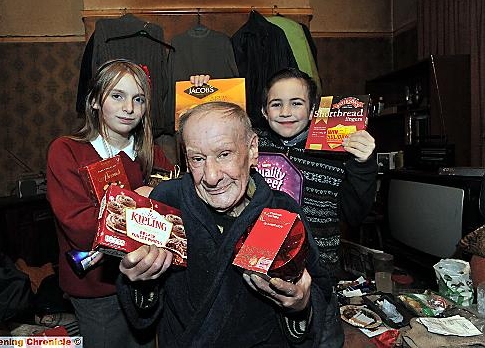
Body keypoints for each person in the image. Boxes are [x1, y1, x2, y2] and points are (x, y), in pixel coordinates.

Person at [116, 102, 333, 347]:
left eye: (224, 154)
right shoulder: (168, 202)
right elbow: (142, 314)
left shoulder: (282, 211)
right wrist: (140, 280)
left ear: (252, 150)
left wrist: (301, 306)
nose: (211, 176)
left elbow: (320, 289)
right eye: (197, 158)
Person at [46, 59, 173, 348]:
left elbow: (173, 218)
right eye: (118, 96)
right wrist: (144, 199)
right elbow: (80, 226)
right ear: (94, 101)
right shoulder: (67, 151)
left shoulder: (153, 155)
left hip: (148, 281)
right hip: (97, 290)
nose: (129, 108)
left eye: (138, 99)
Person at [257, 68, 378, 347]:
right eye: (276, 104)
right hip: (258, 273)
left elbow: (354, 215)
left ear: (313, 110)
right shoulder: (250, 146)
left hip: (319, 277)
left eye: (296, 103)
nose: (286, 111)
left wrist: (363, 164)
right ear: (264, 112)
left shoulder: (336, 152)